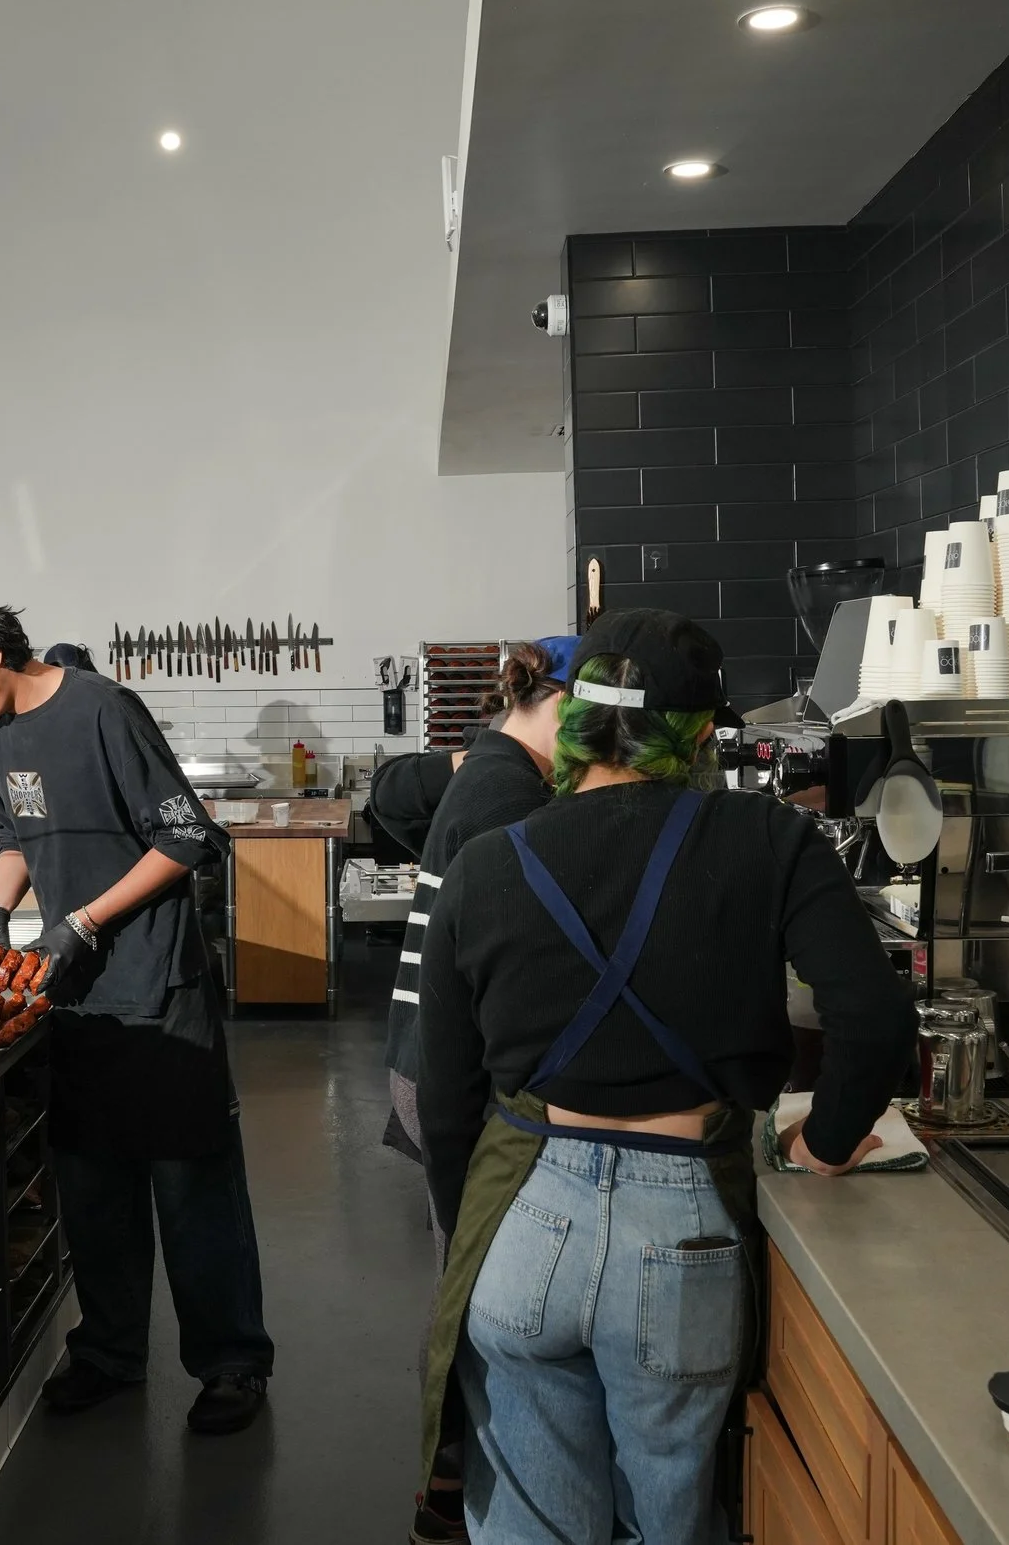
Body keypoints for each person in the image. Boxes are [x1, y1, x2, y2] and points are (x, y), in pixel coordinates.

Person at [416, 610, 913, 1544]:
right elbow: (875, 1016)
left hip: (525, 1220)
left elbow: (444, 1102)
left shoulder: (485, 867)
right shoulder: (767, 838)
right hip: (683, 1240)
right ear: (697, 737)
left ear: (574, 722)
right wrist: (831, 1140)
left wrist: (474, 1229)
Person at [0, 592, 274, 1434]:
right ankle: (109, 1351)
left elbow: (186, 838)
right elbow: (14, 839)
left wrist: (85, 920)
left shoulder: (104, 708)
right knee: (94, 1184)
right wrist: (0, 910)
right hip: (76, 994)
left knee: (192, 1186)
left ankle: (231, 1363)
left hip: (158, 986)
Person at [383, 638, 574, 1545]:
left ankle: (450, 1476)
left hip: (429, 1058)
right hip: (450, 1067)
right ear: (562, 702)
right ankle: (454, 1486)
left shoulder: (494, 766)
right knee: (473, 1285)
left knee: (461, 1275)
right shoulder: (510, 791)